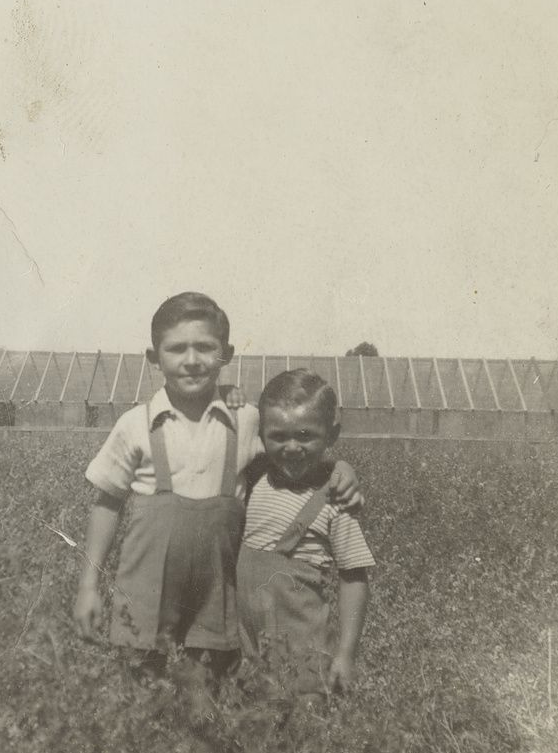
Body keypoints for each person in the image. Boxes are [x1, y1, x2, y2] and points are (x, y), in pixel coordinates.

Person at [73, 292, 362, 702]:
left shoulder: (245, 419)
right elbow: (106, 503)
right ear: (153, 357)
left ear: (225, 353)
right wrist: (89, 585)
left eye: (205, 347)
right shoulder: (135, 425)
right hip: (145, 588)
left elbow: (294, 449)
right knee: (141, 695)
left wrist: (339, 469)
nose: (191, 359)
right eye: (176, 348)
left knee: (204, 696)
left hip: (215, 592)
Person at [237, 369, 375, 700]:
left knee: (304, 730)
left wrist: (346, 653)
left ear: (332, 434)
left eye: (305, 435)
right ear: (261, 436)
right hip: (244, 647)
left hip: (304, 654)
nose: (292, 447)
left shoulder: (336, 498)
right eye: (279, 436)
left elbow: (354, 576)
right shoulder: (252, 480)